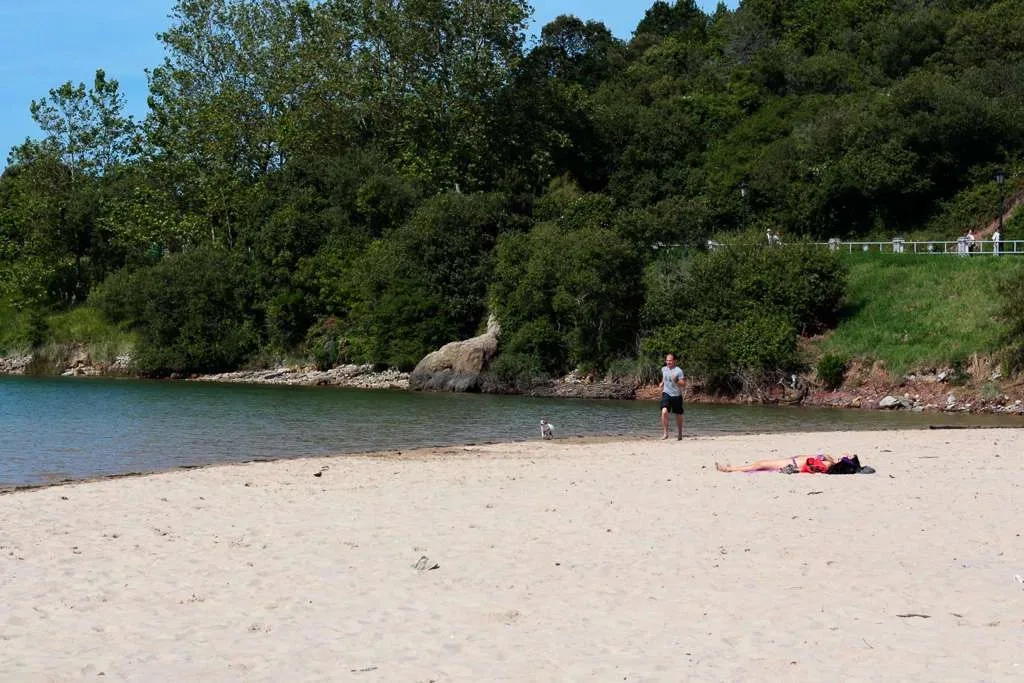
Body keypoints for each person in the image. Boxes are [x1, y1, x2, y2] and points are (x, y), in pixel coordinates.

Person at [716, 454, 837, 473]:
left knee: (759, 465)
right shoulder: (826, 458)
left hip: (791, 464)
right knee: (760, 463)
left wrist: (795, 471)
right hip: (790, 460)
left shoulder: (827, 464)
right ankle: (731, 468)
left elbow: (809, 468)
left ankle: (729, 469)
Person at [660, 353, 686, 440]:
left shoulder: (678, 371)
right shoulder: (663, 369)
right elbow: (664, 377)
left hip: (676, 395)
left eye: (670, 360)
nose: (668, 362)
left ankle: (680, 434)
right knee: (664, 411)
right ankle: (665, 433)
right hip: (666, 393)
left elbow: (683, 384)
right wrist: (662, 383)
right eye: (667, 360)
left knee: (678, 415)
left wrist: (676, 380)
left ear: (674, 361)